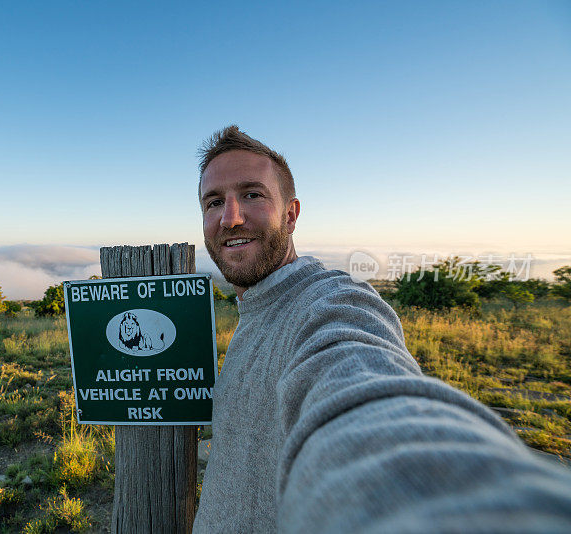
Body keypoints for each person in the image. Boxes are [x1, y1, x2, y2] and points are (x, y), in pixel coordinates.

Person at [192, 125, 571, 533]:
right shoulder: (254, 309)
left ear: (290, 214)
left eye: (252, 194)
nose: (230, 218)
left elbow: (358, 383)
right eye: (215, 202)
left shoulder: (330, 303)